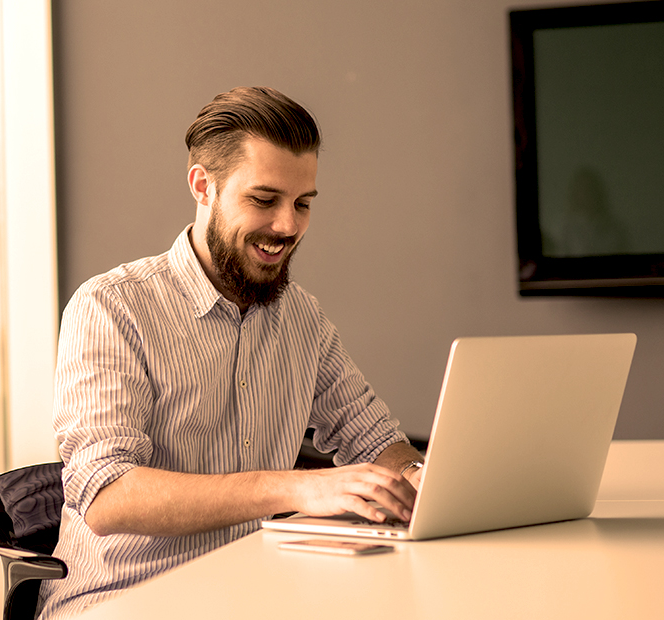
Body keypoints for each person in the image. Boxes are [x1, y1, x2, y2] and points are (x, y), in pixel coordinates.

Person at [37, 86, 425, 619]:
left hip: (258, 592)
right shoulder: (111, 308)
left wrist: (419, 476)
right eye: (264, 200)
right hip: (127, 601)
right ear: (203, 186)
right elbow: (108, 497)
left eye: (302, 204)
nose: (288, 226)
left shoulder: (302, 317)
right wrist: (298, 488)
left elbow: (377, 439)